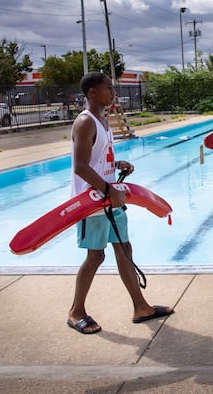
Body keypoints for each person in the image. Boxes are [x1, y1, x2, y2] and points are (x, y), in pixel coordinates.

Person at [67, 72, 173, 334]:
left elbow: (95, 159)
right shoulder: (85, 122)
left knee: (124, 249)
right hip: (91, 202)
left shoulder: (102, 121)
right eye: (108, 88)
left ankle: (141, 306)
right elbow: (80, 167)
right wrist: (106, 189)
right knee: (96, 256)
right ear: (92, 92)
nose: (113, 92)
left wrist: (116, 164)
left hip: (110, 198)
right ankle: (75, 311)